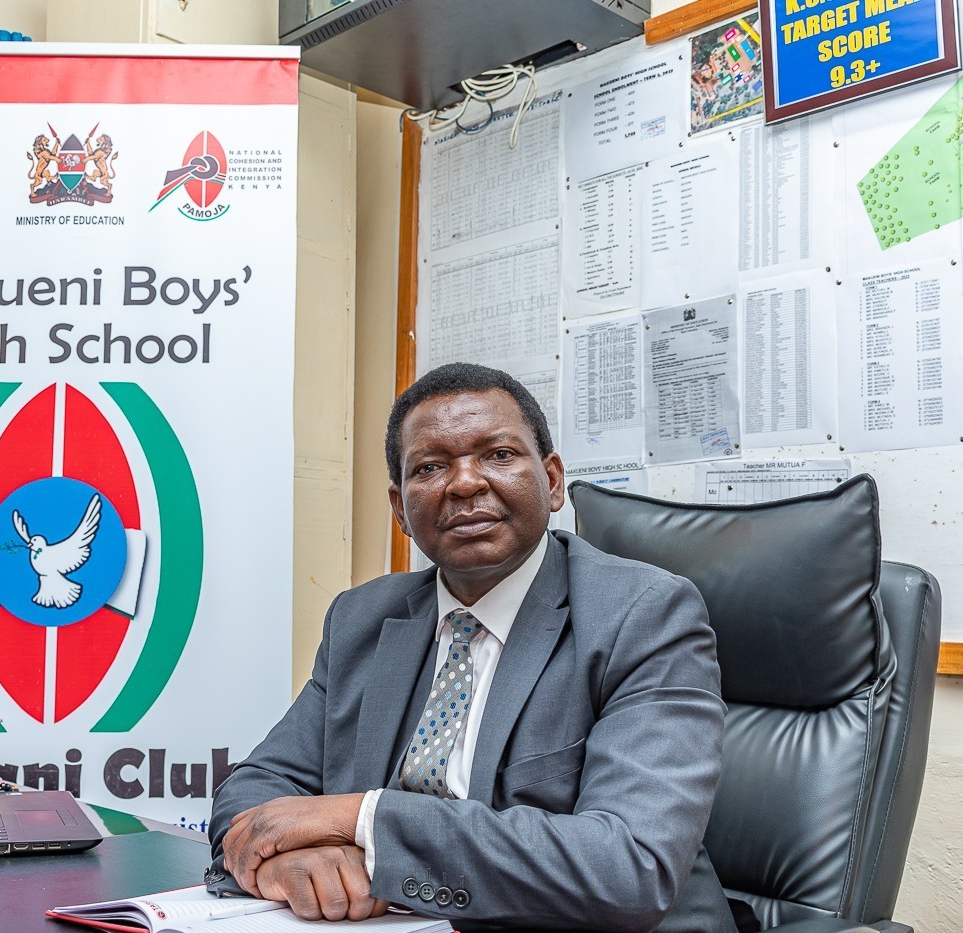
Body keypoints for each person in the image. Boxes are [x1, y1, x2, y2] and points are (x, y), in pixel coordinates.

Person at [207, 362, 735, 931]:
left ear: (553, 481)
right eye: (430, 467)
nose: (464, 484)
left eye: (499, 455)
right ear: (400, 509)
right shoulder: (361, 619)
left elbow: (628, 869)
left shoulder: (643, 615)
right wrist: (295, 861)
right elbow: (255, 793)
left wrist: (361, 819)